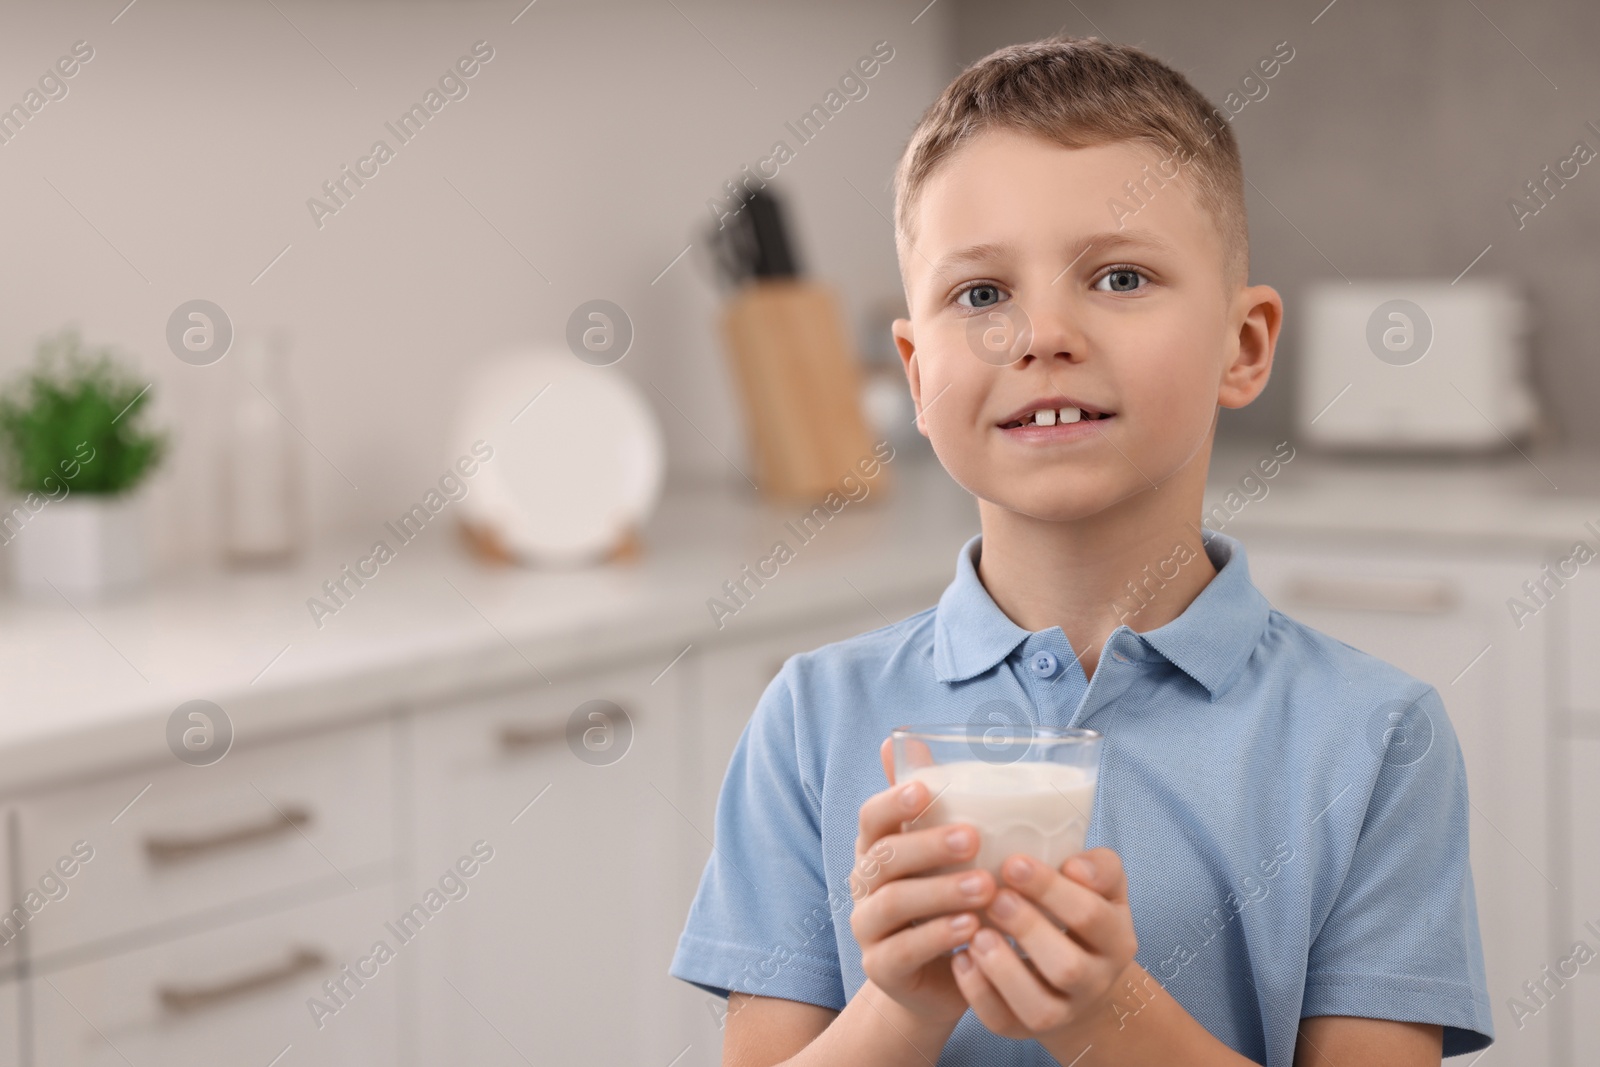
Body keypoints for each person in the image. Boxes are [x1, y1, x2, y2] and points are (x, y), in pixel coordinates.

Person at [669, 34, 1493, 1066]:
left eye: (1117, 275)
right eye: (981, 295)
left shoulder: (1375, 740)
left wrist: (1106, 1017)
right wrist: (902, 1006)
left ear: (1242, 346)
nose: (1041, 333)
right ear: (917, 378)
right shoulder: (811, 723)